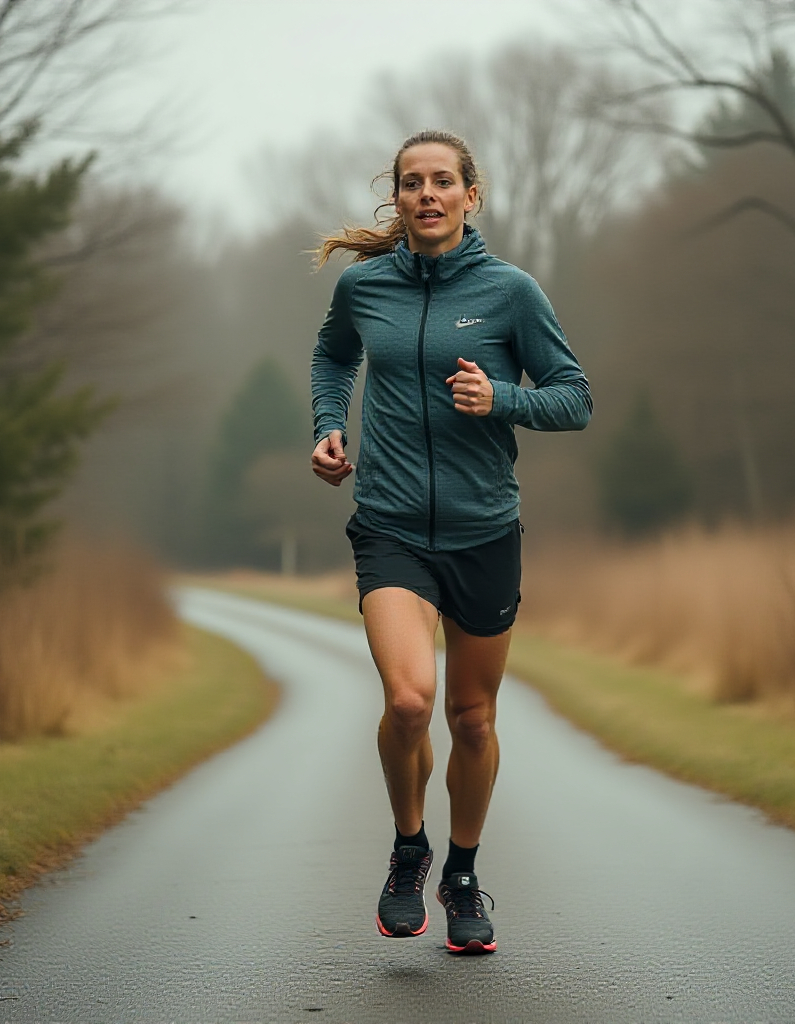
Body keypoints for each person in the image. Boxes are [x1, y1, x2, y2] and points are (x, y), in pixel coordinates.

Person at [310, 130, 592, 954]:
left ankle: (462, 874)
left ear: (472, 195)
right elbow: (332, 358)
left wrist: (500, 397)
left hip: (484, 532)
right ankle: (409, 847)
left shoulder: (511, 292)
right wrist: (330, 425)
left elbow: (574, 399)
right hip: (391, 524)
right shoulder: (364, 289)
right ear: (394, 199)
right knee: (408, 702)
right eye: (410, 183)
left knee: (471, 718)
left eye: (442, 181)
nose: (426, 194)